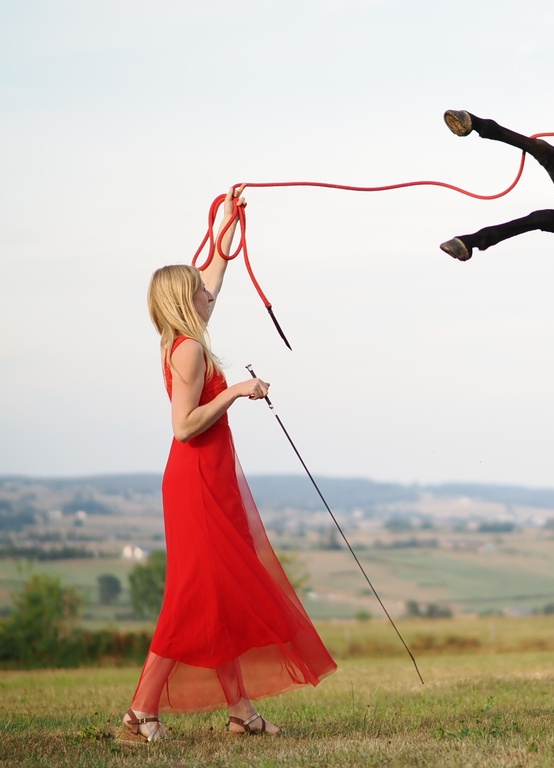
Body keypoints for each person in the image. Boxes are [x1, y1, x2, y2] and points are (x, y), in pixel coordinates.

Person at [121, 188, 337, 743]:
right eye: (197, 291)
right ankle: (140, 712)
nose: (207, 292)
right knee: (192, 596)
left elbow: (217, 272)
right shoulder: (189, 349)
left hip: (208, 479)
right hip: (194, 480)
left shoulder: (188, 334)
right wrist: (236, 391)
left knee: (217, 597)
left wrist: (227, 218)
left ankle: (242, 713)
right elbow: (183, 425)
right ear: (181, 300)